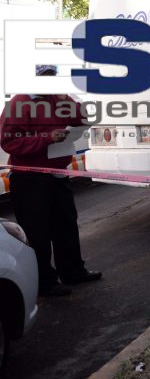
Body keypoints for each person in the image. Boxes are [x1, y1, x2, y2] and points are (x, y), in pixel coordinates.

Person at [0, 65, 101, 297]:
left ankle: (73, 272)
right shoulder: (18, 103)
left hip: (57, 174)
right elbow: (9, 143)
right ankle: (45, 282)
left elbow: (83, 119)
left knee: (66, 225)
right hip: (30, 179)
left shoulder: (58, 100)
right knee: (38, 233)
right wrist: (46, 138)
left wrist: (68, 101)